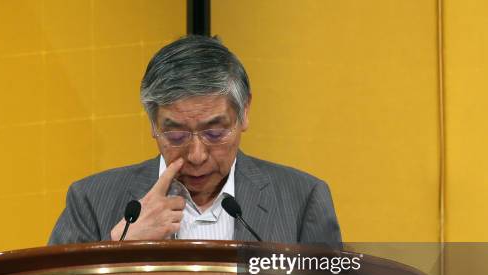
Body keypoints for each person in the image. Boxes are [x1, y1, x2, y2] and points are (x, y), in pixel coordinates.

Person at [49, 35, 341, 245]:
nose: (197, 155)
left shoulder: (302, 200)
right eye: (176, 135)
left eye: (214, 133)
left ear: (245, 113)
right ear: (152, 122)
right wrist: (118, 248)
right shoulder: (90, 201)